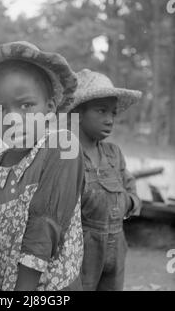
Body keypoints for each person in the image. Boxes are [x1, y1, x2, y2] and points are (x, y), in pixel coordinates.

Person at [0, 41, 84, 291]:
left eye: (26, 105)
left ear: (50, 107)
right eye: (1, 109)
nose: (13, 118)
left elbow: (45, 225)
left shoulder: (62, 148)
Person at [70, 69, 142, 291]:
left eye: (113, 113)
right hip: (82, 248)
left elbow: (132, 193)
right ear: (78, 114)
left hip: (117, 245)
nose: (110, 120)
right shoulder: (67, 156)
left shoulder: (113, 154)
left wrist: (126, 204)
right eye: (101, 111)